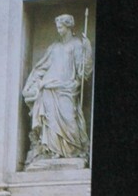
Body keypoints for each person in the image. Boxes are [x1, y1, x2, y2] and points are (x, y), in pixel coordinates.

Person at [22, 14, 93, 166]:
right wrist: (33, 83)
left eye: (61, 27)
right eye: (57, 27)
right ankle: (52, 151)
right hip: (49, 88)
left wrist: (88, 50)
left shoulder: (77, 45)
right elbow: (41, 67)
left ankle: (74, 150)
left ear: (68, 27)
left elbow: (83, 72)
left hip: (67, 89)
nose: (58, 30)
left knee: (70, 119)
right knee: (50, 122)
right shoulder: (53, 47)